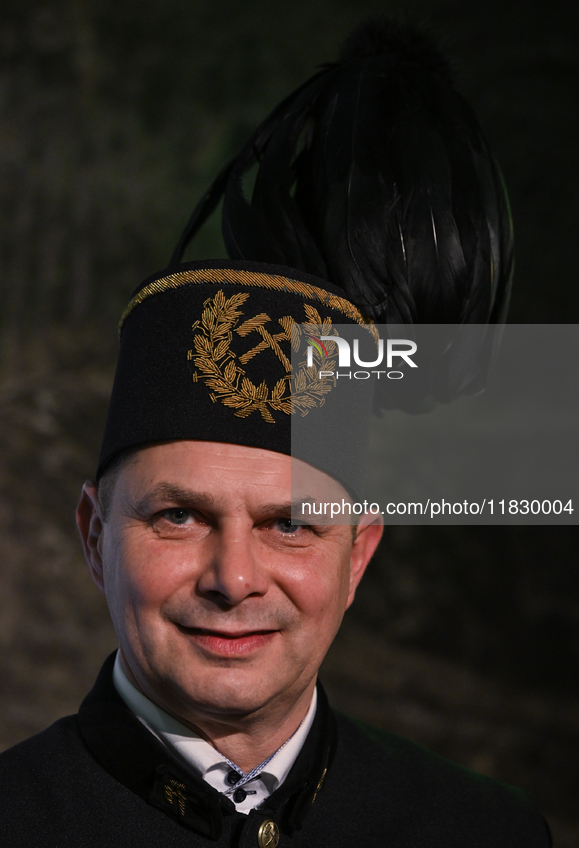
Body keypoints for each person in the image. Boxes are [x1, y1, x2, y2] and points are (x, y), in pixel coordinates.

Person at [0, 20, 551, 847]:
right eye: (177, 516)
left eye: (289, 524)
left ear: (357, 554)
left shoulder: (486, 832)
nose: (233, 579)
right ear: (92, 535)